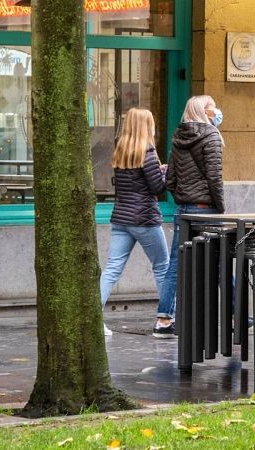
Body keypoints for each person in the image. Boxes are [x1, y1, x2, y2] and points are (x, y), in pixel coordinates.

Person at [155, 95, 225, 338]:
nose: (216, 111)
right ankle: (234, 313)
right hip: (206, 208)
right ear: (204, 112)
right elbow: (215, 177)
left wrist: (184, 199)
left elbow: (170, 180)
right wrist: (220, 206)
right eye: (212, 107)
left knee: (176, 264)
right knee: (219, 260)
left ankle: (164, 319)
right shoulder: (212, 136)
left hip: (183, 210)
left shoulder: (178, 137)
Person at [100, 108, 169, 337]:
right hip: (145, 218)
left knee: (112, 269)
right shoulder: (148, 152)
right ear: (145, 126)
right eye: (151, 123)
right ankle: (169, 317)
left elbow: (133, 184)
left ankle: (93, 318)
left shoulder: (122, 151)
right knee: (162, 267)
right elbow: (157, 188)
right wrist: (165, 173)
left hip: (121, 217)